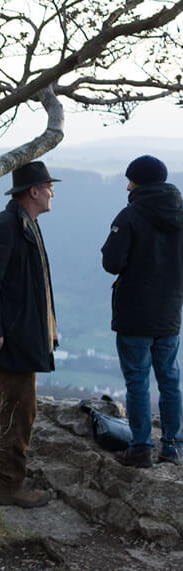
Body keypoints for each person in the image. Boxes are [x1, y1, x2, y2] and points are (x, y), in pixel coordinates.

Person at [0, 161, 59, 509]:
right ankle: (9, 486)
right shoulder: (6, 226)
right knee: (19, 411)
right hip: (12, 337)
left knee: (15, 408)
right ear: (33, 191)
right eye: (48, 186)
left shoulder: (25, 224)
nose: (52, 192)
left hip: (22, 334)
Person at [101, 155, 183, 467]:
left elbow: (112, 263)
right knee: (170, 380)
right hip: (170, 313)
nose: (127, 185)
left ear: (140, 182)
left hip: (135, 314)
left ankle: (140, 449)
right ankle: (173, 447)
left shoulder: (130, 215)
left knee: (137, 382)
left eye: (131, 180)